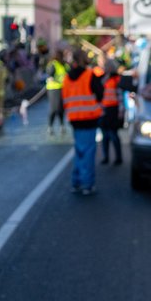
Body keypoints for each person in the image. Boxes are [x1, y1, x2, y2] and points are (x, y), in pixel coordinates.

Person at [62, 49, 103, 195]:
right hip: (89, 118)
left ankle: (77, 182)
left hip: (75, 119)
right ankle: (86, 184)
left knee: (79, 151)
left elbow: (64, 99)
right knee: (88, 153)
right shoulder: (89, 75)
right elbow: (100, 93)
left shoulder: (67, 78)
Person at [99, 59, 123, 165]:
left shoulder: (116, 79)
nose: (106, 68)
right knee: (105, 135)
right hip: (104, 109)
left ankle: (118, 157)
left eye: (108, 66)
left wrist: (121, 110)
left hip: (114, 109)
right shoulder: (104, 78)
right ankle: (106, 157)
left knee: (113, 134)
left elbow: (120, 96)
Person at [45, 50, 68, 136]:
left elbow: (68, 74)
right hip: (53, 89)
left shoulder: (64, 65)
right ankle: (50, 126)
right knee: (54, 108)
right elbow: (50, 75)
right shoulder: (53, 64)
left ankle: (62, 125)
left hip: (62, 88)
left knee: (61, 108)